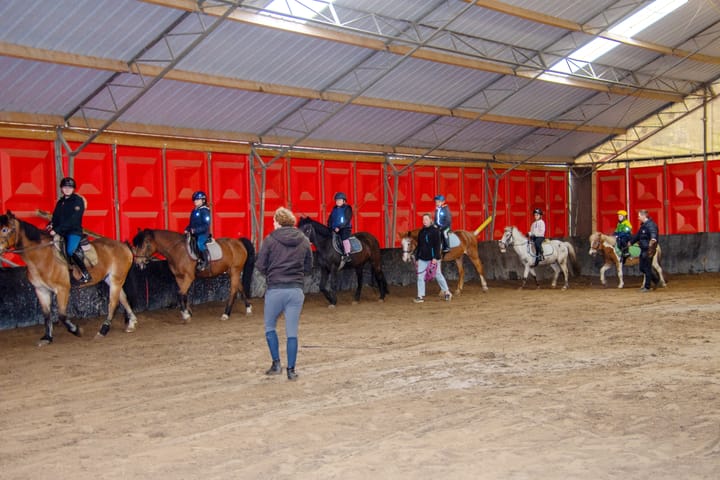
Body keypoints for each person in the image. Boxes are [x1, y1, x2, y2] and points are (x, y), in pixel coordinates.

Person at [256, 207, 313, 381]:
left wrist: (272, 273)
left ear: (279, 222)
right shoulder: (303, 240)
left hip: (275, 289)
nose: (273, 223)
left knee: (270, 327)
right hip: (295, 290)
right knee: (292, 333)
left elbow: (260, 265)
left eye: (274, 220)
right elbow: (309, 267)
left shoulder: (270, 240)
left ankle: (276, 364)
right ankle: (291, 370)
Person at [47, 177, 91, 283]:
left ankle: (86, 273)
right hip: (61, 231)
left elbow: (73, 219)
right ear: (61, 188)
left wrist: (57, 230)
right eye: (65, 187)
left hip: (73, 231)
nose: (67, 189)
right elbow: (56, 217)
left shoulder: (77, 201)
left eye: (70, 187)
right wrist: (51, 225)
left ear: (73, 189)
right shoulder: (60, 202)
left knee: (70, 250)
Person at [413, 213, 452, 303]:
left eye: (426, 219)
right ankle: (420, 296)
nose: (424, 221)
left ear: (431, 220)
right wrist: (417, 258)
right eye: (423, 220)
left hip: (433, 258)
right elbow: (419, 246)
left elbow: (437, 245)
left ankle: (447, 292)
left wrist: (435, 258)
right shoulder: (421, 232)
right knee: (420, 276)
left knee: (438, 275)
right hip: (422, 258)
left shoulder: (435, 231)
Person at [629, 209, 660, 293]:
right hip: (643, 248)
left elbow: (653, 233)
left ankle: (647, 286)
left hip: (648, 249)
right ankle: (656, 279)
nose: (638, 218)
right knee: (642, 268)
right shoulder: (643, 226)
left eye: (639, 216)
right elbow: (638, 236)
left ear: (643, 216)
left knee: (647, 267)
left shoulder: (651, 225)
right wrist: (631, 242)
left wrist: (653, 239)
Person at [185, 191, 211, 271]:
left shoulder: (205, 211)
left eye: (197, 200)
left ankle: (205, 261)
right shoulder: (194, 211)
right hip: (194, 233)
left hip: (202, 233)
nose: (195, 201)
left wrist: (196, 230)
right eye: (194, 200)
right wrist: (187, 229)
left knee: (200, 243)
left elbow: (206, 225)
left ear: (203, 200)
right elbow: (191, 223)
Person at [327, 191, 353, 268]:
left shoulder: (347, 208)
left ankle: (347, 254)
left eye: (339, 200)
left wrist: (340, 227)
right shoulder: (334, 209)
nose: (338, 201)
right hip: (335, 228)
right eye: (336, 200)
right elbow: (330, 219)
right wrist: (330, 226)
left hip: (345, 228)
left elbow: (347, 219)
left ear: (344, 201)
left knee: (344, 239)